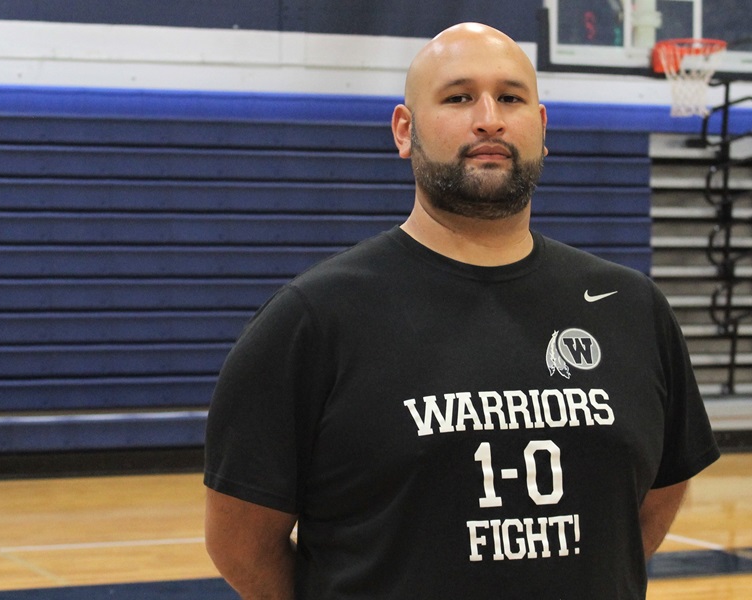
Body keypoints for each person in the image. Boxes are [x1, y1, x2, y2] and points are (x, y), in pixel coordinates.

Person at [203, 22, 719, 599]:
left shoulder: (632, 307)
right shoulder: (313, 318)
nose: (490, 118)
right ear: (405, 131)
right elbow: (240, 544)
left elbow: (647, 507)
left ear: (541, 128)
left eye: (511, 98)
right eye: (458, 97)